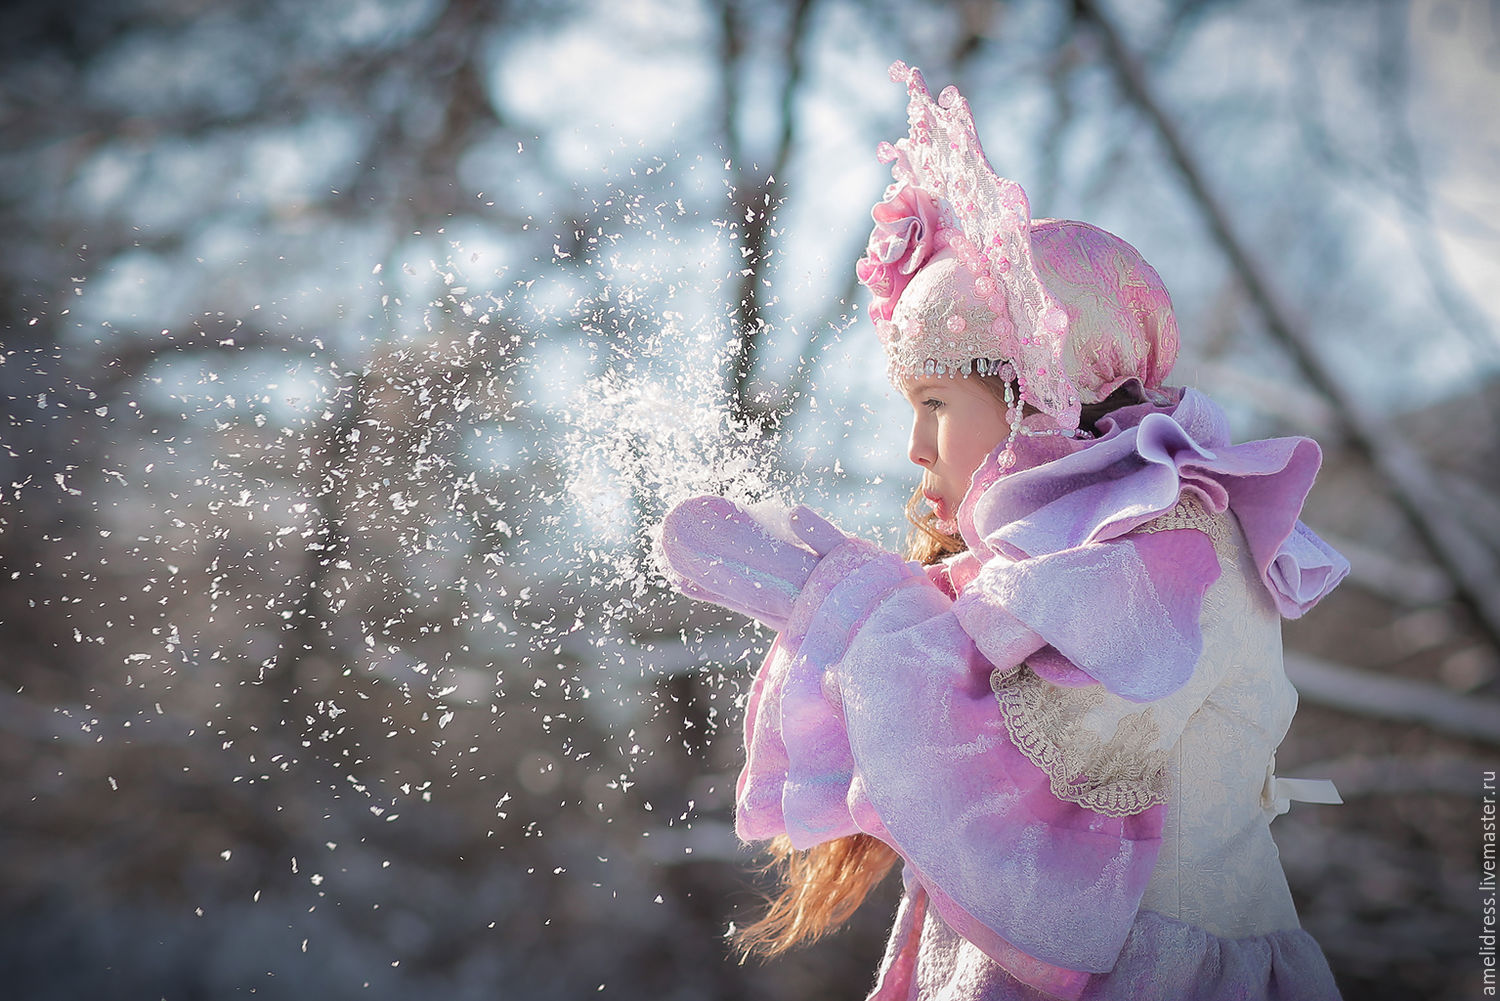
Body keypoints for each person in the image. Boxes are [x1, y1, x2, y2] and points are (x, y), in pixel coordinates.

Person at [660, 61, 1349, 1000]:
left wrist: (855, 611)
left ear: (1039, 389)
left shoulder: (1169, 535)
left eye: (936, 401)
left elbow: (1054, 752)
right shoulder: (1051, 558)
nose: (913, 445)